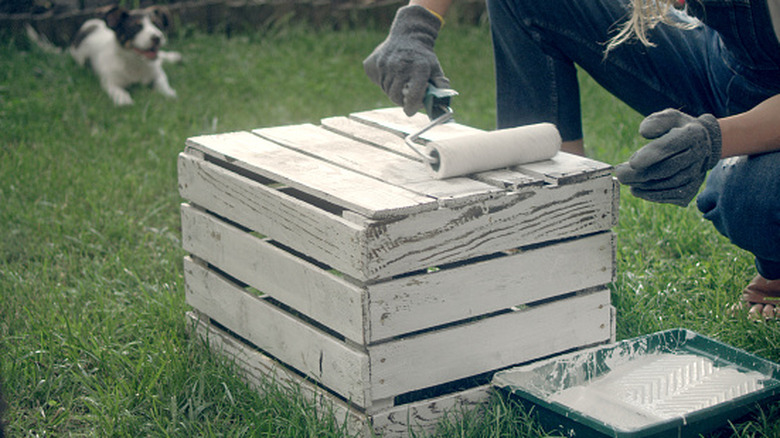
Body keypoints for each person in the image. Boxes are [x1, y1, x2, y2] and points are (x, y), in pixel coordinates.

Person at [363, 0, 780, 319]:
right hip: (727, 65)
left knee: (749, 199)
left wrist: (715, 139)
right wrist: (417, 21)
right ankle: (555, 237)